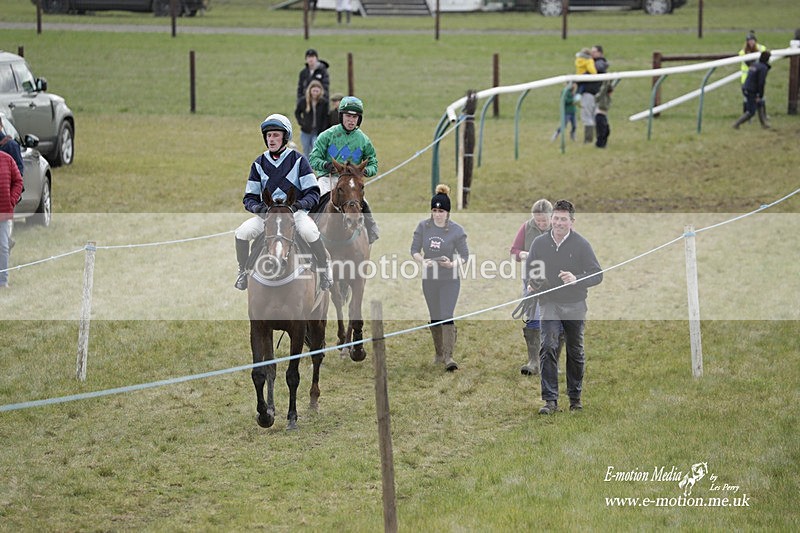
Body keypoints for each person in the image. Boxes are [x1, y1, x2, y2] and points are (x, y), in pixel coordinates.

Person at [233, 114, 331, 292]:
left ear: (285, 137)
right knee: (242, 232)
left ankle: (324, 270)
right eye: (268, 136)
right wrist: (261, 209)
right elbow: (249, 198)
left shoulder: (299, 160)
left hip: (295, 214)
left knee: (310, 231)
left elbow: (313, 193)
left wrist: (297, 206)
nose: (271, 139)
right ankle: (243, 271)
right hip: (269, 216)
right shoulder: (259, 163)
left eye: (276, 135)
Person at [525, 199, 603, 414]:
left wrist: (576, 278)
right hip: (549, 303)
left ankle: (575, 398)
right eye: (556, 218)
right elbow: (530, 269)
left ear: (572, 222)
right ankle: (550, 401)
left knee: (575, 350)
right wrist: (533, 283)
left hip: (574, 303)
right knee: (548, 346)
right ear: (551, 220)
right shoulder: (539, 244)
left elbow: (597, 274)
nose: (559, 223)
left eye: (563, 219)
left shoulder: (581, 245)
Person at [410, 184, 469, 372]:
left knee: (446, 314)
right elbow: (414, 250)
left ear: (447, 212)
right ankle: (439, 353)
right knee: (435, 316)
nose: (437, 214)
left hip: (449, 279)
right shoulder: (423, 227)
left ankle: (449, 357)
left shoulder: (456, 231)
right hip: (430, 279)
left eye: (441, 211)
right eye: (434, 210)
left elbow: (465, 256)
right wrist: (422, 261)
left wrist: (452, 264)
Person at [308, 96, 380, 244]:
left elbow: (373, 162)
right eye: (348, 116)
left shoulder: (364, 140)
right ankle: (306, 230)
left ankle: (371, 228)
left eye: (355, 117)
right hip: (329, 178)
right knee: (316, 198)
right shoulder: (327, 136)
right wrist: (325, 165)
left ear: (359, 119)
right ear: (341, 116)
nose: (351, 120)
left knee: (362, 201)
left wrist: (365, 172)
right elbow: (313, 158)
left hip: (351, 181)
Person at [509, 199, 553, 375]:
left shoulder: (559, 227)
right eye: (538, 220)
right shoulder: (526, 228)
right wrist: (523, 254)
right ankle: (534, 361)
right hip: (531, 281)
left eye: (544, 220)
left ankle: (550, 361)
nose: (541, 224)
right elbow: (514, 251)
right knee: (533, 315)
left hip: (553, 281)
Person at [1, 150, 24, 289]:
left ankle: (3, 281)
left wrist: (12, 200)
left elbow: (18, 181)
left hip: (2, 212)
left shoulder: (7, 159)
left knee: (3, 246)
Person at [733, 50, 772, 130]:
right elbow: (761, 83)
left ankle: (764, 124)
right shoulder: (763, 68)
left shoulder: (755, 64)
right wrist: (759, 95)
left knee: (760, 103)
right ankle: (736, 124)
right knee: (751, 111)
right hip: (751, 90)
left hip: (746, 87)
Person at [738, 32, 768, 120]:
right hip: (747, 78)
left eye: (752, 40)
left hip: (756, 78)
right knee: (747, 99)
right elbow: (749, 64)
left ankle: (763, 117)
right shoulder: (743, 52)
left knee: (761, 98)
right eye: (749, 41)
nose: (751, 43)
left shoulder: (761, 49)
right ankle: (747, 116)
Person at [294, 80, 329, 157]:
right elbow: (297, 112)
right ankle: (307, 167)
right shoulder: (303, 101)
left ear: (320, 91)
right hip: (306, 130)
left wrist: (323, 129)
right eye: (314, 91)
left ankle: (314, 166)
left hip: (318, 131)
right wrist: (301, 122)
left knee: (315, 148)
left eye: (317, 91)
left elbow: (325, 117)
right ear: (310, 90)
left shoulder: (323, 102)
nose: (315, 93)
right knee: (306, 150)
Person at [574, 47, 598, 144]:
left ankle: (589, 139)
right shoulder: (589, 62)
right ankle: (592, 138)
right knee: (591, 115)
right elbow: (594, 72)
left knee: (587, 116)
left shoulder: (578, 61)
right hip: (590, 90)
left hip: (585, 90)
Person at [594, 78, 614, 148]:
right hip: (599, 115)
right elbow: (603, 89)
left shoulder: (608, 98)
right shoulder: (602, 96)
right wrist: (606, 81)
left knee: (607, 131)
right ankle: (599, 145)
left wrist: (611, 80)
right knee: (602, 132)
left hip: (604, 116)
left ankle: (603, 144)